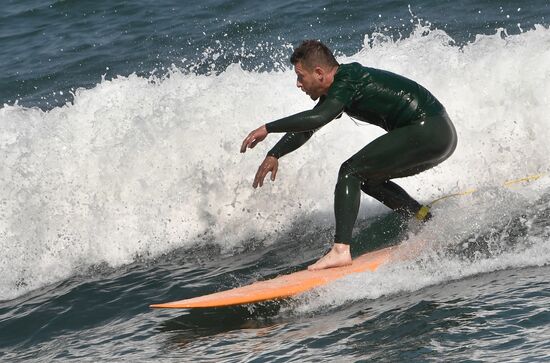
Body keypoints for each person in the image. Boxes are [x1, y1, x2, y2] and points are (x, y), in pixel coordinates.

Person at [240, 40, 457, 271]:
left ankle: (340, 250)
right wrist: (275, 153)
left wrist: (268, 127)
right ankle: (424, 219)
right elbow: (310, 126)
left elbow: (317, 118)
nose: (298, 84)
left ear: (319, 73)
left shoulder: (346, 82)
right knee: (369, 180)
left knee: (350, 172)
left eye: (300, 77)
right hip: (439, 135)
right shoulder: (341, 87)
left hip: (428, 130)